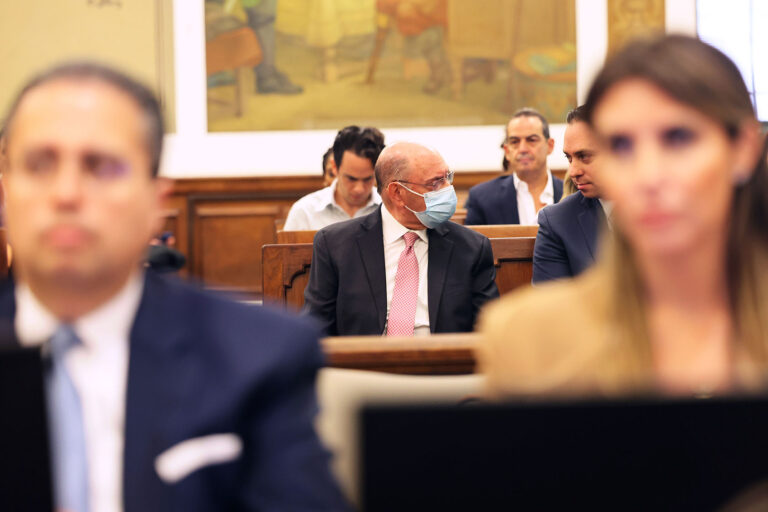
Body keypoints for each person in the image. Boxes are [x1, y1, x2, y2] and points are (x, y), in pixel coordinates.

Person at [0, 62, 348, 511]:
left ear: (154, 202)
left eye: (101, 166)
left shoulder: (257, 357)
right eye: (40, 164)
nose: (66, 193)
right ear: (6, 192)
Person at [478, 35, 768, 398]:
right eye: (621, 146)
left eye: (678, 138)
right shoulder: (529, 337)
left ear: (743, 149)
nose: (647, 175)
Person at [304, 142, 498, 336]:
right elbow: (318, 326)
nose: (448, 189)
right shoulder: (335, 244)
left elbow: (489, 329)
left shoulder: (471, 248)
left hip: (445, 362)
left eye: (448, 177)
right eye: (435, 183)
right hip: (361, 362)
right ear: (397, 193)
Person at [532, 106, 609, 283]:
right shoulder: (558, 221)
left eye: (585, 156)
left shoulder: (673, 208)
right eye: (569, 158)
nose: (573, 171)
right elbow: (551, 305)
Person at [464, 108, 564, 225]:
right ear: (507, 151)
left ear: (550, 146)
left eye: (531, 140)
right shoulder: (481, 198)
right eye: (515, 141)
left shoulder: (573, 194)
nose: (522, 149)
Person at [283, 125, 385, 231]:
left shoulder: (390, 209)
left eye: (368, 179)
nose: (359, 189)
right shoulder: (305, 212)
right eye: (351, 179)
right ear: (334, 167)